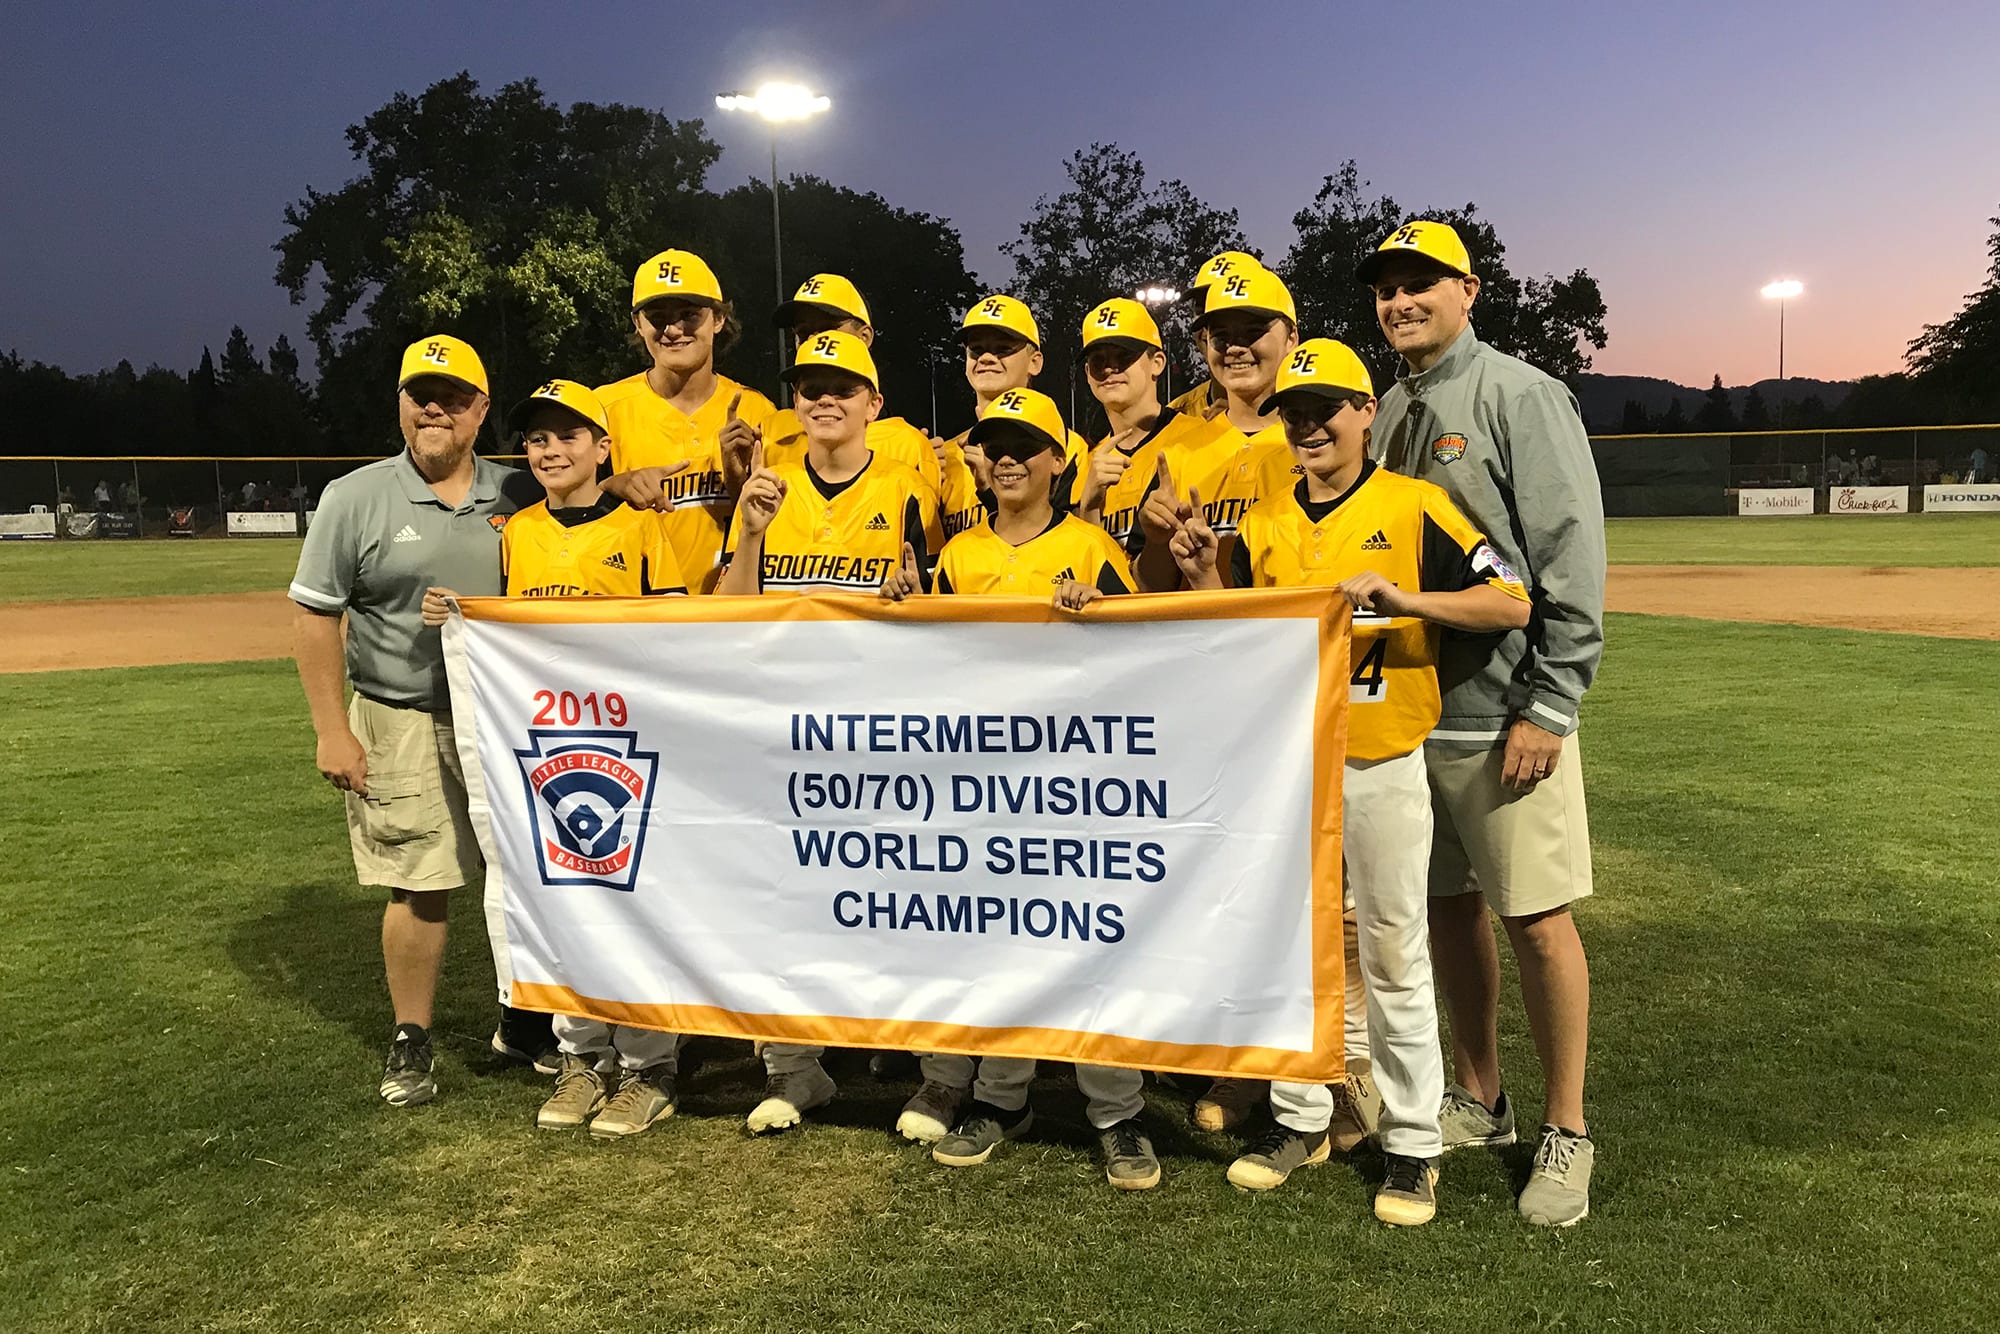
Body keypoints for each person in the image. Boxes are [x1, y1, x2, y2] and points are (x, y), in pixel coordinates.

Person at [1169, 338, 1530, 1225]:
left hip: (1379, 762)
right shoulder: (1265, 519)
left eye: (1326, 409)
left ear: (1367, 411)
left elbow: (1512, 599)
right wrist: (1205, 574)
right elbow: (1241, 635)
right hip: (1288, 769)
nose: (1308, 426)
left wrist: (1411, 602)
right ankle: (1299, 1119)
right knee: (1294, 950)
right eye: (1294, 414)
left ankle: (1411, 1143)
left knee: (1394, 955)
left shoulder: (1415, 505)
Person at [1359, 219, 1605, 1227]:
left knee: (1536, 920)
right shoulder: (1380, 408)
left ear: (1467, 289)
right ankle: (1481, 1096)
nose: (1398, 301)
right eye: (1384, 289)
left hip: (1503, 710)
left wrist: (1549, 701)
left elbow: (1567, 558)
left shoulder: (1516, 392)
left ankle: (1565, 1127)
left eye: (1419, 284)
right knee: (1447, 913)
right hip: (1409, 711)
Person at [879, 386, 1161, 1191]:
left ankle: (1117, 1109)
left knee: (1089, 938)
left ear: (1056, 461)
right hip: (979, 784)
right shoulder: (959, 553)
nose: (1006, 458)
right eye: (994, 445)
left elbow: (1151, 659)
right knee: (990, 938)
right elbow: (928, 665)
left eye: (1024, 446)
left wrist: (1101, 610)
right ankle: (1002, 1099)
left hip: (1074, 782)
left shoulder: (1090, 543)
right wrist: (908, 605)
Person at [420, 378, 688, 1137]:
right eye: (537, 438)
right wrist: (459, 616)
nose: (550, 450)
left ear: (604, 448)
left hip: (627, 738)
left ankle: (647, 1064)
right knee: (559, 892)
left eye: (569, 435)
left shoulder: (640, 528)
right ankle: (579, 1055)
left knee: (632, 895)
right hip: (549, 740)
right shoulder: (520, 530)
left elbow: (670, 636)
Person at [289, 334, 549, 1107]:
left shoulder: (518, 492)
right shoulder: (355, 496)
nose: (434, 407)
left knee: (536, 872)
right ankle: (412, 1038)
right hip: (399, 712)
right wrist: (332, 729)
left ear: (481, 409)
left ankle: (529, 1022)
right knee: (419, 881)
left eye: (454, 395)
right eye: (418, 394)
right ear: (400, 405)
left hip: (509, 720)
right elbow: (313, 618)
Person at [718, 330, 936, 1132]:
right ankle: (794, 1068)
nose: (823, 399)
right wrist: (745, 531)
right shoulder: (767, 490)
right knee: (786, 903)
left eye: (842, 385)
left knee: (911, 901)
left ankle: (935, 1069)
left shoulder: (911, 488)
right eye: (809, 386)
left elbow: (948, 612)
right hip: (788, 726)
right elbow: (732, 616)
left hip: (889, 728)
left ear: (875, 402)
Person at [595, 248, 778, 593]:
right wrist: (610, 487)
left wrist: (739, 485)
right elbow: (558, 515)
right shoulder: (604, 407)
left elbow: (781, 528)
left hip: (732, 611)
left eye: (689, 314)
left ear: (719, 319)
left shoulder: (757, 411)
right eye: (658, 316)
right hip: (634, 611)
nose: (673, 329)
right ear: (638, 323)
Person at [1071, 297, 1234, 580]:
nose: (1110, 369)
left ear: (1157, 363)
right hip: (1109, 620)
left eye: (1123, 357)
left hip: (1186, 616)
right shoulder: (1083, 463)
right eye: (1098, 361)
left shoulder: (1201, 437)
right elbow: (1083, 571)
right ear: (1087, 375)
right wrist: (1089, 507)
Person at [942, 295, 1089, 512]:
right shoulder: (947, 454)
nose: (986, 358)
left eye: (1003, 349)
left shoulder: (1066, 446)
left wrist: (990, 488)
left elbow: (1064, 540)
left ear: (1035, 362)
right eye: (976, 349)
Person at [1167, 250, 1267, 420]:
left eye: (1230, 310)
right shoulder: (1174, 418)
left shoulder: (1316, 411)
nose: (1211, 329)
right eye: (1202, 309)